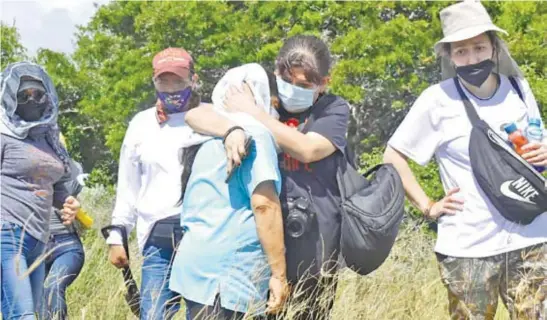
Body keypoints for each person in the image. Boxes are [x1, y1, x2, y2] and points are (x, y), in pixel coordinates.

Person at [383, 2, 546, 319]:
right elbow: (394, 156)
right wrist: (428, 206)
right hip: (468, 246)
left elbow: (536, 151)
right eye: (461, 51)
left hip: (532, 237)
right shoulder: (437, 100)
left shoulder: (519, 88)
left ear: (494, 48)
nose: (472, 59)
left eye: (479, 47)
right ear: (448, 55)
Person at [184, 35, 350, 319]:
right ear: (277, 72)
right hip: (263, 244)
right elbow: (195, 115)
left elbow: (307, 149)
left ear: (324, 82)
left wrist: (252, 114)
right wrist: (231, 128)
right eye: (288, 82)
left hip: (315, 246)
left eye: (305, 86)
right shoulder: (263, 94)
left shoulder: (333, 109)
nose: (294, 90)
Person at [169, 63, 288, 320]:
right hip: (230, 277)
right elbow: (264, 205)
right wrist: (279, 275)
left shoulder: (204, 136)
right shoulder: (256, 135)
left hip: (196, 268)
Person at [104, 47, 203, 320]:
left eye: (178, 81)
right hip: (156, 238)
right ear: (154, 81)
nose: (171, 88)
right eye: (163, 81)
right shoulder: (140, 124)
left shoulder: (211, 118)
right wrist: (116, 236)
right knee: (154, 314)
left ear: (193, 79)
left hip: (202, 235)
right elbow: (128, 187)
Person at [0, 61, 81, 320]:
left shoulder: (49, 138)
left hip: (39, 238)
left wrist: (68, 202)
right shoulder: (3, 135)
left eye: (37, 94)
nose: (31, 100)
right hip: (7, 235)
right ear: (11, 97)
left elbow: (56, 185)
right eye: (24, 95)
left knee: (38, 314)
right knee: (23, 316)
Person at [40, 134, 87, 320]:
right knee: (41, 303)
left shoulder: (71, 171)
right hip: (36, 247)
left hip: (66, 244)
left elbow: (70, 185)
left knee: (52, 286)